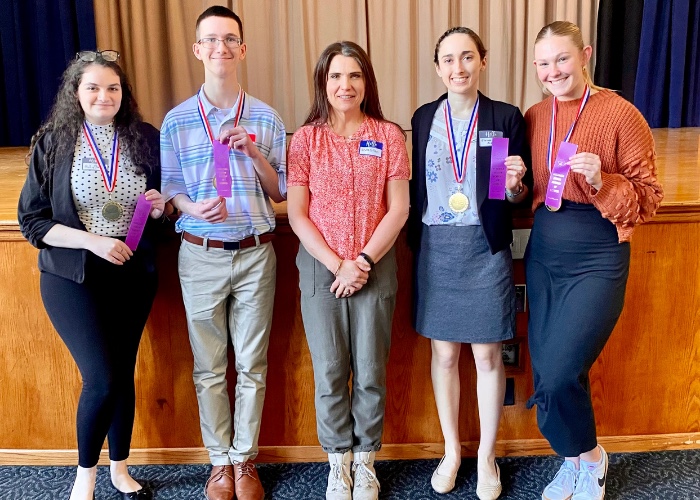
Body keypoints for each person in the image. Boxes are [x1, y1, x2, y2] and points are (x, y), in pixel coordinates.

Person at [524, 21, 664, 500]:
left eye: (561, 59)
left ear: (584, 55)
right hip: (544, 250)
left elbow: (649, 198)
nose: (552, 71)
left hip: (599, 252)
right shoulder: (535, 115)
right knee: (547, 371)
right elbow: (530, 197)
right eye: (543, 63)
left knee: (562, 369)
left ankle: (593, 457)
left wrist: (604, 181)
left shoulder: (622, 114)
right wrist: (515, 184)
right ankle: (576, 461)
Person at [18, 50, 165, 500]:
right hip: (73, 278)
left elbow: (160, 207)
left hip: (132, 276)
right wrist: (92, 241)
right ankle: (85, 476)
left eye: (114, 88)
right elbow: (33, 222)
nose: (105, 96)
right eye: (94, 87)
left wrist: (162, 207)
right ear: (76, 93)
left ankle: (120, 470)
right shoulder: (55, 142)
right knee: (100, 376)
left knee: (122, 373)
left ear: (125, 93)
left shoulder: (144, 136)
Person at [160, 6, 286, 500]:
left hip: (256, 253)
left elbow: (281, 192)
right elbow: (170, 191)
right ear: (197, 50)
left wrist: (254, 153)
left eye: (229, 39)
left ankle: (245, 459)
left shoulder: (266, 117)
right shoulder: (176, 121)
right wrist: (192, 206)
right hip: (201, 253)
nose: (221, 48)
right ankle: (218, 462)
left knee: (252, 363)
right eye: (210, 40)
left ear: (242, 49)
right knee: (209, 367)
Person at [407, 27, 530, 499]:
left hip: (485, 246)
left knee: (486, 354)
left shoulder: (504, 116)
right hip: (438, 246)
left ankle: (486, 456)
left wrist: (516, 183)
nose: (458, 68)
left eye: (467, 57)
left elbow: (516, 193)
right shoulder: (422, 118)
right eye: (448, 60)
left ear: (483, 61)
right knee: (443, 354)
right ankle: (453, 450)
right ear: (437, 68)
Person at [287, 41, 410, 500]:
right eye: (336, 76)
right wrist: (337, 263)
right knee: (331, 369)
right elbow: (298, 214)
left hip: (374, 266)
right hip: (322, 269)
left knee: (372, 369)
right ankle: (338, 463)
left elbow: (398, 209)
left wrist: (361, 262)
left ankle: (366, 463)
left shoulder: (388, 134)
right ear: (323, 81)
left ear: (366, 82)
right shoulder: (305, 140)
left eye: (354, 76)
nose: (345, 85)